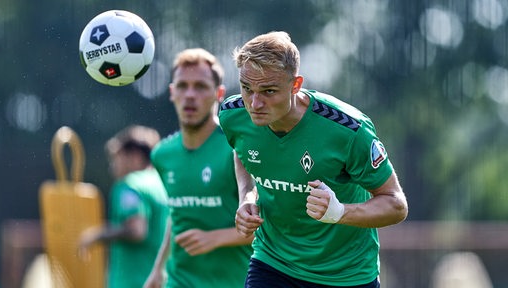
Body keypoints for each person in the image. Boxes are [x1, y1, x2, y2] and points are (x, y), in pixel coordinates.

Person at [218, 31, 409, 288]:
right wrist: (246, 197)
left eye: (268, 91)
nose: (255, 103)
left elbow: (396, 205)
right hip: (273, 263)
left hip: (346, 275)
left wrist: (340, 212)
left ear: (295, 85)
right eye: (246, 88)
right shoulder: (233, 116)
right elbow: (241, 149)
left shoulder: (348, 129)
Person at [143, 48, 254, 288]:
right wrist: (158, 270)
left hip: (232, 282)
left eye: (201, 86)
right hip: (179, 281)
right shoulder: (162, 154)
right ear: (172, 92)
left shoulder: (238, 147)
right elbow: (177, 215)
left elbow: (268, 225)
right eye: (182, 86)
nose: (190, 95)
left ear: (219, 93)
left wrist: (215, 238)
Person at [79, 125, 169, 288]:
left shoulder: (130, 185)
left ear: (133, 156)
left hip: (132, 282)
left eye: (116, 158)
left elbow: (136, 230)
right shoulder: (162, 184)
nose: (112, 166)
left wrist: (97, 236)